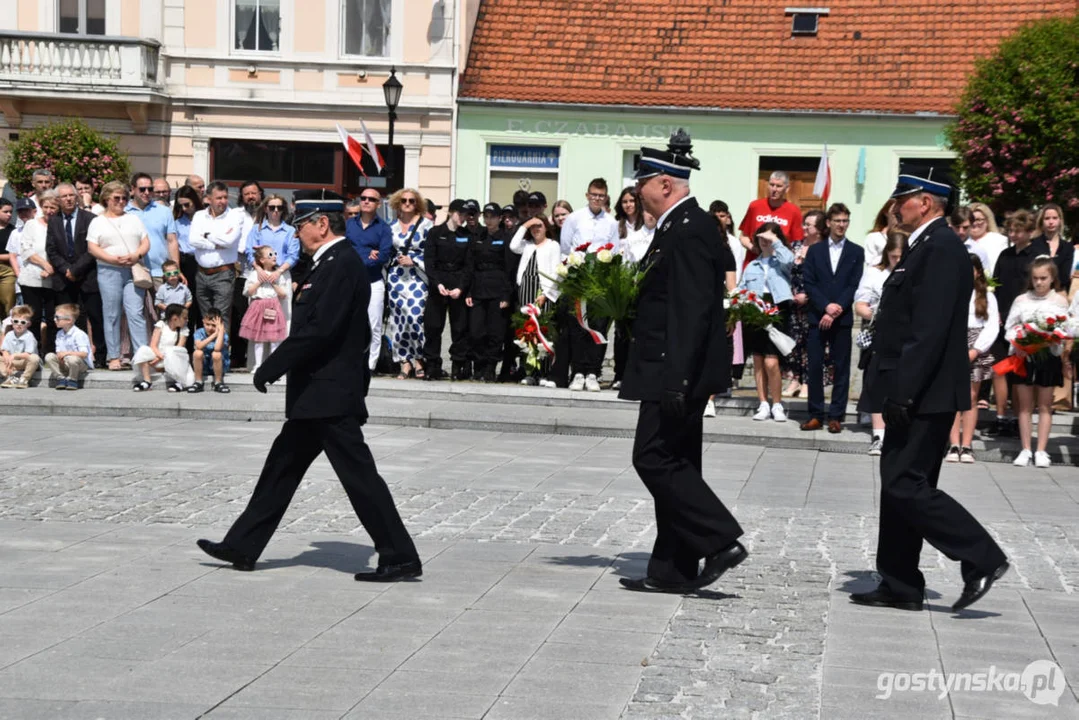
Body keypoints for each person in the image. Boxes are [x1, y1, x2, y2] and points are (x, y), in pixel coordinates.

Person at [196, 190, 422, 581]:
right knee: (280, 469)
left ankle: (400, 555)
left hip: (331, 394)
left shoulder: (341, 264)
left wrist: (271, 367)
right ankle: (242, 545)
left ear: (322, 224)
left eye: (301, 225)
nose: (296, 233)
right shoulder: (325, 264)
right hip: (317, 395)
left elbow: (320, 330)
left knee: (360, 477)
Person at [853, 166, 1008, 613]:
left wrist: (905, 392)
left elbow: (929, 329)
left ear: (926, 202)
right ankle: (900, 582)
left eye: (903, 197)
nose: (895, 205)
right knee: (897, 484)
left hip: (924, 391)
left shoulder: (940, 248)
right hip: (914, 387)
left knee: (906, 484)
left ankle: (982, 556)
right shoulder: (926, 245)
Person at [617, 130, 746, 593]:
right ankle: (672, 568)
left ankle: (720, 538)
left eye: (643, 182)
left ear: (666, 184)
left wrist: (677, 378)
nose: (637, 191)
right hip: (671, 366)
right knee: (678, 462)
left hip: (673, 369)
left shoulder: (688, 229)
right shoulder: (678, 227)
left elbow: (690, 312)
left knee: (652, 458)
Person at [799, 203, 865, 434]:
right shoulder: (815, 251)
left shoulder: (856, 251)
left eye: (845, 221)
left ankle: (837, 415)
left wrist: (837, 308)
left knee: (841, 367)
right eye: (837, 220)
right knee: (815, 366)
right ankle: (815, 414)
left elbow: (853, 283)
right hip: (818, 316)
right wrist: (825, 306)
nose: (841, 225)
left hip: (842, 317)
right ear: (828, 223)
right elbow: (810, 282)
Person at [987, 210, 1049, 437]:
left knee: (1020, 371)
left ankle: (1017, 416)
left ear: (1029, 231)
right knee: (1000, 369)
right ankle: (1001, 416)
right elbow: (997, 286)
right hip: (1003, 318)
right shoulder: (1005, 255)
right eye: (1010, 230)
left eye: (1017, 231)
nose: (1012, 234)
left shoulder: (1039, 255)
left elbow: (1042, 287)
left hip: (1026, 320)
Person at [1005, 256, 1068, 468]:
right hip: (1025, 357)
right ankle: (1025, 448)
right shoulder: (1021, 300)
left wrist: (1051, 338)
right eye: (1035, 278)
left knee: (1045, 404)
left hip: (1047, 357)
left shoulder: (1059, 301)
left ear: (1052, 278)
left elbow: (1063, 328)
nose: (1039, 282)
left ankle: (1041, 450)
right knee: (1024, 405)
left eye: (1043, 278)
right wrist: (1020, 342)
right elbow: (1010, 326)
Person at [86, 182, 151, 370]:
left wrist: (136, 255)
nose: (121, 201)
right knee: (112, 313)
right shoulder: (97, 221)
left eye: (124, 198)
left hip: (133, 269)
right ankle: (113, 356)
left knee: (136, 312)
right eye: (117, 198)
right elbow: (92, 247)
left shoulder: (134, 219)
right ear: (106, 199)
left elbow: (146, 242)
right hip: (109, 270)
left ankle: (141, 356)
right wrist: (112, 259)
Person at [854, 230, 906, 456]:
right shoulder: (875, 273)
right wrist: (876, 315)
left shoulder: (915, 272)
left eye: (900, 256)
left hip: (904, 335)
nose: (896, 261)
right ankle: (878, 435)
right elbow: (860, 304)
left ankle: (899, 434)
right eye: (893, 256)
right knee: (877, 384)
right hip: (879, 334)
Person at [945, 254, 999, 464]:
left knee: (970, 397)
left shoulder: (986, 296)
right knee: (951, 396)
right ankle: (953, 443)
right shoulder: (951, 292)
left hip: (977, 345)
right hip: (953, 343)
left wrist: (976, 349)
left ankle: (966, 444)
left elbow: (992, 325)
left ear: (978, 271)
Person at [739, 223, 794, 423]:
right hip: (755, 310)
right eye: (761, 237)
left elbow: (790, 260)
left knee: (772, 361)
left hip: (777, 309)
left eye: (768, 237)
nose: (764, 241)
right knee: (759, 361)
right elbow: (742, 288)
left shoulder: (782, 261)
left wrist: (776, 242)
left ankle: (777, 404)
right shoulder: (752, 265)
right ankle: (763, 403)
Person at [46, 183, 105, 368]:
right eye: (64, 196)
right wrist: (66, 270)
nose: (69, 199)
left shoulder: (90, 219)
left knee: (95, 317)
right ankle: (74, 359)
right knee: (69, 319)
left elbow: (93, 247)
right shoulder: (54, 221)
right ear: (58, 200)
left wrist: (76, 269)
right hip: (64, 280)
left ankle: (101, 357)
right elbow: (52, 250)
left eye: (72, 195)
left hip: (87, 277)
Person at [423, 199, 474, 380]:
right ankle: (432, 365)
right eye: (460, 214)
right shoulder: (435, 233)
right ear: (451, 212)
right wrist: (437, 284)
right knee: (433, 326)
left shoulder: (467, 235)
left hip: (457, 282)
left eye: (466, 215)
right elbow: (429, 262)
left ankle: (457, 365)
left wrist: (461, 287)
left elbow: (469, 266)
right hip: (439, 283)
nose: (463, 218)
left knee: (459, 328)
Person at [344, 188, 392, 372]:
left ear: (378, 204)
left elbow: (384, 255)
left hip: (373, 281)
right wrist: (367, 254)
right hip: (350, 282)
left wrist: (359, 257)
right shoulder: (349, 225)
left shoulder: (384, 228)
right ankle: (349, 360)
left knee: (374, 324)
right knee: (349, 321)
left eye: (371, 199)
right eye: (363, 198)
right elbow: (344, 250)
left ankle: (370, 365)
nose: (366, 201)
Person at [510, 216, 561, 387]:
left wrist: (546, 293)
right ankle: (529, 371)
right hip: (526, 290)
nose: (536, 229)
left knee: (543, 331)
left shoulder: (553, 245)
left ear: (546, 227)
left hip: (542, 291)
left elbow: (556, 272)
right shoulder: (528, 245)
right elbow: (513, 245)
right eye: (533, 227)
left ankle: (544, 373)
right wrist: (524, 225)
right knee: (527, 332)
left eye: (539, 226)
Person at [386, 189, 432, 379]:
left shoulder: (427, 225)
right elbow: (387, 251)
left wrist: (415, 261)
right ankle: (404, 362)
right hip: (396, 278)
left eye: (411, 201)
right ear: (398, 203)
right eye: (403, 200)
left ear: (417, 204)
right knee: (398, 321)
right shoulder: (391, 227)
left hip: (417, 277)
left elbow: (432, 253)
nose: (407, 204)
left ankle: (420, 358)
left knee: (415, 317)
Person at [189, 181, 242, 340]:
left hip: (223, 273)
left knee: (221, 315)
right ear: (208, 199)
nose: (223, 201)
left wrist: (207, 235)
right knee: (206, 317)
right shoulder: (199, 215)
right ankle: (207, 354)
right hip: (202, 273)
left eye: (225, 197)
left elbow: (228, 242)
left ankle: (221, 355)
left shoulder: (234, 216)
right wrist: (215, 243)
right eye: (219, 198)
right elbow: (193, 240)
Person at [784, 210, 827, 399]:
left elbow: (824, 280)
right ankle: (795, 378)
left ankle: (809, 382)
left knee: (811, 344)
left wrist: (808, 296)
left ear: (818, 229)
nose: (804, 228)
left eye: (808, 225)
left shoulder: (824, 249)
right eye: (804, 223)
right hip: (793, 305)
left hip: (813, 304)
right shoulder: (795, 246)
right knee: (794, 343)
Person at [467, 202, 512, 384]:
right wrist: (469, 291)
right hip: (478, 288)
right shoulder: (478, 236)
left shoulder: (505, 237)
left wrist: (506, 295)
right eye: (486, 216)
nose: (488, 219)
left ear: (500, 218)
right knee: (476, 331)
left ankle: (490, 367)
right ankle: (479, 363)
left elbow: (509, 269)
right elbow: (470, 266)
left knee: (495, 332)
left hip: (497, 289)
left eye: (492, 216)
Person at [18, 190, 63, 354]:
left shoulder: (60, 225)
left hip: (53, 280)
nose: (49, 210)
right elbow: (26, 250)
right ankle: (33, 352)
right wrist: (45, 265)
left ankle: (50, 351)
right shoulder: (32, 224)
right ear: (41, 207)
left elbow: (62, 251)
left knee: (53, 319)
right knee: (34, 318)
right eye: (46, 207)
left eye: (53, 207)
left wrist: (52, 268)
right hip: (31, 278)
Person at [239, 246, 290, 373]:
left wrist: (273, 283)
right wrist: (259, 282)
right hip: (258, 305)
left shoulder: (278, 274)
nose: (274, 257)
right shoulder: (254, 274)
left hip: (273, 305)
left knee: (275, 338)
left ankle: (273, 365)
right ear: (262, 260)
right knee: (258, 338)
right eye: (270, 255)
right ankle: (258, 365)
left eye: (275, 254)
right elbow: (248, 292)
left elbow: (283, 295)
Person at [738, 171, 804, 267]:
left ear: (787, 189)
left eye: (778, 186)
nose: (774, 189)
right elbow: (743, 236)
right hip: (755, 264)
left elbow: (797, 243)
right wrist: (754, 249)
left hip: (779, 266)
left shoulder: (794, 211)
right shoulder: (755, 206)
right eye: (771, 185)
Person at [166, 185, 204, 344]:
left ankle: (202, 342)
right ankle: (186, 345)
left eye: (187, 204)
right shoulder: (177, 222)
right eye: (180, 205)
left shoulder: (204, 218)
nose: (184, 208)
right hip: (185, 261)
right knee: (187, 304)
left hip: (201, 261)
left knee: (202, 303)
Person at [131, 303, 194, 392]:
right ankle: (147, 381)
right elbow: (153, 345)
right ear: (175, 318)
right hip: (158, 355)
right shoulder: (161, 325)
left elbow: (178, 348)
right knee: (143, 350)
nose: (187, 320)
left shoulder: (184, 330)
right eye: (184, 318)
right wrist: (159, 357)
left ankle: (179, 381)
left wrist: (161, 359)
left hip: (172, 359)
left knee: (173, 351)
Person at [126, 173, 173, 288]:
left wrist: (176, 269)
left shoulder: (164, 211)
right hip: (132, 272)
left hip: (160, 272)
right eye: (142, 189)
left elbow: (172, 241)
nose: (147, 192)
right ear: (132, 190)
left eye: (150, 189)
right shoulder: (124, 211)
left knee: (163, 306)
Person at [44, 303, 91, 390]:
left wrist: (67, 353)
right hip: (65, 363)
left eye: (57, 317)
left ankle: (73, 380)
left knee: (72, 358)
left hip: (79, 364)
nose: (54, 319)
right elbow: (59, 352)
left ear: (69, 320)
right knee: (49, 356)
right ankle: (60, 378)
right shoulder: (59, 333)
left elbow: (84, 354)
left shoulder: (79, 334)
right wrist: (60, 358)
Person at [189, 308, 230, 393]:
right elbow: (199, 346)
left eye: (214, 325)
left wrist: (220, 331)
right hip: (204, 366)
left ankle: (218, 382)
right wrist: (215, 334)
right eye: (207, 324)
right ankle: (198, 381)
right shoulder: (199, 332)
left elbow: (217, 348)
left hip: (219, 366)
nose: (210, 328)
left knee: (216, 354)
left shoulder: (223, 334)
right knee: (197, 353)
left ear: (220, 325)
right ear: (203, 321)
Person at [0, 304, 40, 388]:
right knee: (1, 359)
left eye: (23, 322)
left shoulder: (29, 336)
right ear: (12, 322)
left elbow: (28, 354)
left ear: (28, 324)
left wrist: (14, 355)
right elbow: (4, 350)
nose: (19, 324)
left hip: (25, 362)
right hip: (13, 362)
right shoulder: (9, 335)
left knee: (34, 358)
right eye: (16, 321)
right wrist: (7, 358)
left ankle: (24, 379)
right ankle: (10, 377)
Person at [967, 202, 1008, 276]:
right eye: (971, 219)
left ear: (987, 221)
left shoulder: (1000, 241)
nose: (975, 223)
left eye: (979, 220)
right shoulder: (961, 241)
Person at [0, 199, 20, 317]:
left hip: (8, 270)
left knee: (8, 306)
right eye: (5, 211)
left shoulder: (13, 231)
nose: (9, 215)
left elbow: (16, 254)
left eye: (10, 212)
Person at [861, 199, 894, 267]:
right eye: (894, 210)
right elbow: (870, 263)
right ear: (886, 213)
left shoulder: (906, 235)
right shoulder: (874, 237)